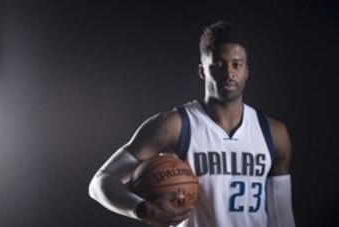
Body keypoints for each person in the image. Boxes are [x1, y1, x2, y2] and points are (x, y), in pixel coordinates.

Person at [88, 20, 295, 227]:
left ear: (246, 71)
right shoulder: (174, 125)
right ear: (202, 71)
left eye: (237, 65)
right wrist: (142, 209)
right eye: (218, 65)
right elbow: (101, 181)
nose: (229, 73)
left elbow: (282, 216)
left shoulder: (273, 133)